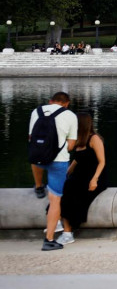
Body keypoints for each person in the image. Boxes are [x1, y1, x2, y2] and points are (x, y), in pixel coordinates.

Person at [28, 91, 78, 251]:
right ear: (67, 103)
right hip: (59, 162)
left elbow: (31, 138)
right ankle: (49, 239)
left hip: (37, 159)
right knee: (55, 200)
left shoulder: (36, 111)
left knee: (35, 159)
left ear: (50, 101)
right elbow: (71, 145)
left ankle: (38, 186)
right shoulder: (70, 115)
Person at [57, 112, 107, 245]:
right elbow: (77, 159)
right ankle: (61, 225)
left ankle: (67, 231)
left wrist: (94, 179)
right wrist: (67, 171)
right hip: (79, 174)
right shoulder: (79, 139)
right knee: (64, 186)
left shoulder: (94, 138)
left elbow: (102, 161)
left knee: (71, 190)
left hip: (93, 176)